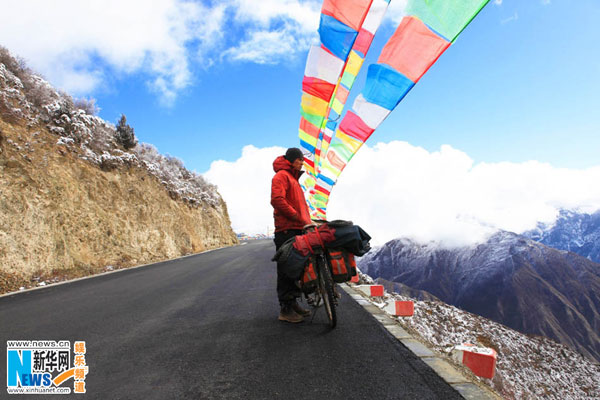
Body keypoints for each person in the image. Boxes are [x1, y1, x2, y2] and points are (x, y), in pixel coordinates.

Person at [271, 147, 312, 323]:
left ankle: (293, 303)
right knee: (287, 268)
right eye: (300, 159)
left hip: (297, 228)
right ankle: (285, 309)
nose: (302, 162)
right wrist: (295, 216)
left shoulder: (292, 179)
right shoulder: (281, 176)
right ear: (292, 160)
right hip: (286, 229)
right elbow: (277, 200)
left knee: (296, 268)